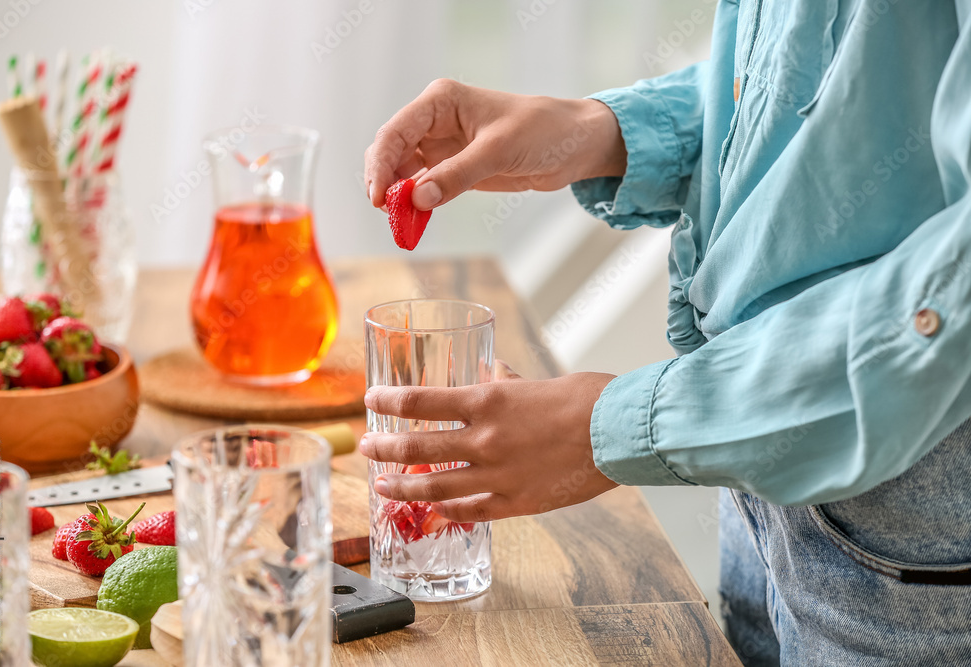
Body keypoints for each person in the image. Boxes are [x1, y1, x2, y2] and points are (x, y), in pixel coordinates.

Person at [361, 2, 971, 665]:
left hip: (917, 534)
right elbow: (840, 72)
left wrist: (616, 427)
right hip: (765, 492)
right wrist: (595, 131)